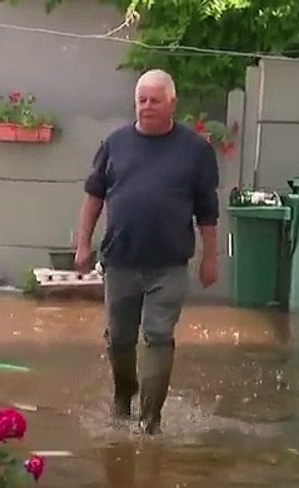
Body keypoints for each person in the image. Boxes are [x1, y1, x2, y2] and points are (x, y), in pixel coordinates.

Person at [73, 69, 220, 435]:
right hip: (120, 261)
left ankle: (150, 421)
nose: (147, 106)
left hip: (169, 264)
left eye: (155, 100)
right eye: (142, 100)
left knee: (158, 335)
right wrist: (83, 244)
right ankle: (124, 397)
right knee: (120, 338)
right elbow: (93, 198)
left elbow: (207, 210)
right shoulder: (115, 144)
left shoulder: (195, 150)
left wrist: (210, 257)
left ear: (172, 103)